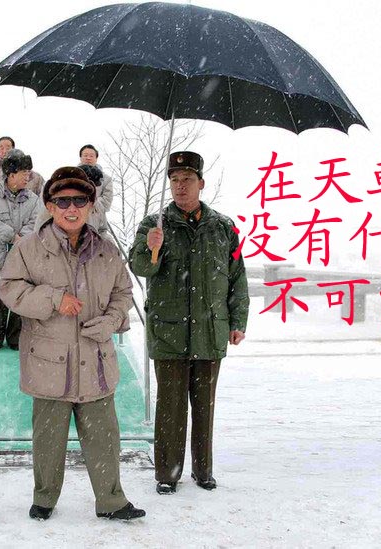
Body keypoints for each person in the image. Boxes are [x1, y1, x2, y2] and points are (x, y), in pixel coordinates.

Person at [0, 167, 146, 522]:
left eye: (80, 200)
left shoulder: (107, 251)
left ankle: (111, 501)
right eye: (62, 201)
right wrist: (53, 299)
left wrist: (111, 321)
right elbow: (9, 289)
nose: (71, 208)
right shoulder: (29, 250)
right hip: (49, 361)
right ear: (49, 206)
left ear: (91, 206)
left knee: (104, 437)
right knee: (48, 439)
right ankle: (44, 498)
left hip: (96, 359)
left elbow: (123, 293)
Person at [128, 150, 249, 495]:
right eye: (175, 180)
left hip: (210, 329)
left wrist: (238, 320)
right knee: (170, 407)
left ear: (201, 183)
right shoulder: (154, 225)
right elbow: (141, 267)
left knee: (204, 406)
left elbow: (236, 276)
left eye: (187, 180)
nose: (180, 186)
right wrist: (151, 247)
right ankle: (168, 474)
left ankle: (203, 470)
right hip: (169, 330)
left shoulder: (224, 227)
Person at [0, 149, 41, 350]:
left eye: (28, 172)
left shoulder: (33, 199)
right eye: (24, 172)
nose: (28, 177)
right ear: (11, 174)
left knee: (19, 295)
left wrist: (21, 238)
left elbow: (36, 223)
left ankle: (15, 338)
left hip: (22, 256)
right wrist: (12, 236)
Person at [0, 136, 45, 202]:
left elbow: (43, 193)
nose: (4, 151)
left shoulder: (34, 177)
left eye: (8, 148)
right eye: (1, 148)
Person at [78, 144, 113, 236]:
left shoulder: (106, 179)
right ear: (80, 158)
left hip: (97, 222)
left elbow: (107, 202)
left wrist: (90, 204)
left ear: (96, 158)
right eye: (85, 155)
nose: (88, 158)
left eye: (91, 156)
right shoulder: (70, 176)